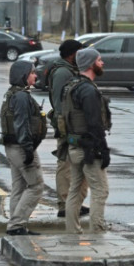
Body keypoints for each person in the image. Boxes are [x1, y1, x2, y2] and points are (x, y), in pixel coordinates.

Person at [62, 48, 112, 234]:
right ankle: (98, 230)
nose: (102, 63)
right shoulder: (88, 90)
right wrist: (103, 150)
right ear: (91, 64)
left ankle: (72, 230)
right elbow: (94, 123)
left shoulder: (72, 85)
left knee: (75, 190)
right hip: (89, 150)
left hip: (74, 146)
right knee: (100, 190)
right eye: (99, 60)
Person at [0, 60, 47, 236]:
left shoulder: (12, 94)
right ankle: (16, 224)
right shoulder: (21, 96)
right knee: (36, 186)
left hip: (12, 147)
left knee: (19, 187)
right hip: (21, 148)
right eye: (33, 72)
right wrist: (28, 149)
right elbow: (22, 124)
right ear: (24, 75)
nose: (36, 75)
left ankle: (16, 224)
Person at [48, 39, 89, 218]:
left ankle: (75, 203)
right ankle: (64, 204)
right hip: (66, 126)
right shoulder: (62, 73)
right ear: (72, 54)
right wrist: (64, 125)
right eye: (79, 52)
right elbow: (59, 102)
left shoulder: (70, 70)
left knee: (76, 166)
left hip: (73, 124)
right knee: (64, 165)